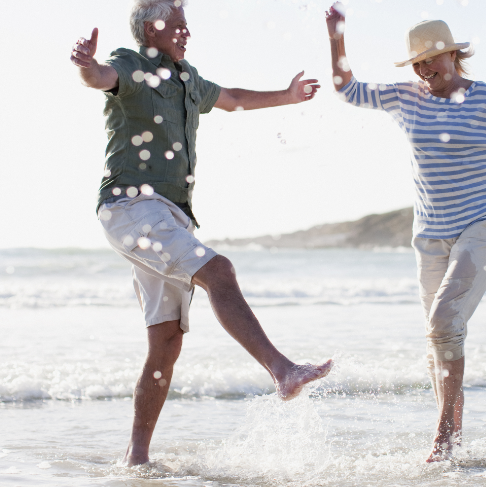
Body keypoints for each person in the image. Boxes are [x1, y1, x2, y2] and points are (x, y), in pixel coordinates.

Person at [70, 0, 332, 466]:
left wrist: (287, 96)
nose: (186, 33)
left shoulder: (188, 79)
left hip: (171, 215)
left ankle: (136, 457)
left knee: (166, 341)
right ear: (151, 29)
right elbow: (102, 78)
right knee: (219, 270)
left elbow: (231, 98)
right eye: (177, 26)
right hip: (130, 206)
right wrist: (87, 67)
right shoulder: (131, 64)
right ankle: (282, 370)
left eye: (187, 26)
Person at [324, 5, 486, 461]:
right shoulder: (405, 97)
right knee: (439, 336)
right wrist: (337, 37)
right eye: (419, 62)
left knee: (444, 321)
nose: (426, 69)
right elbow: (347, 89)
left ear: (453, 57)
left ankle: (443, 438)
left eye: (433, 59)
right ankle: (454, 440)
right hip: (430, 233)